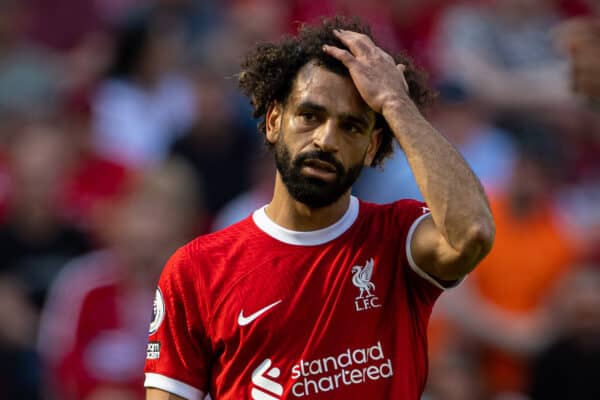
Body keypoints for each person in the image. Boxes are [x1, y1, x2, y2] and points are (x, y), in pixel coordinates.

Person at [144, 17, 495, 400]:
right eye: (310, 116)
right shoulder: (197, 270)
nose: (326, 140)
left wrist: (396, 104)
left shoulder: (399, 237)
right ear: (274, 121)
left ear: (373, 147)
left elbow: (472, 232)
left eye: (352, 127)